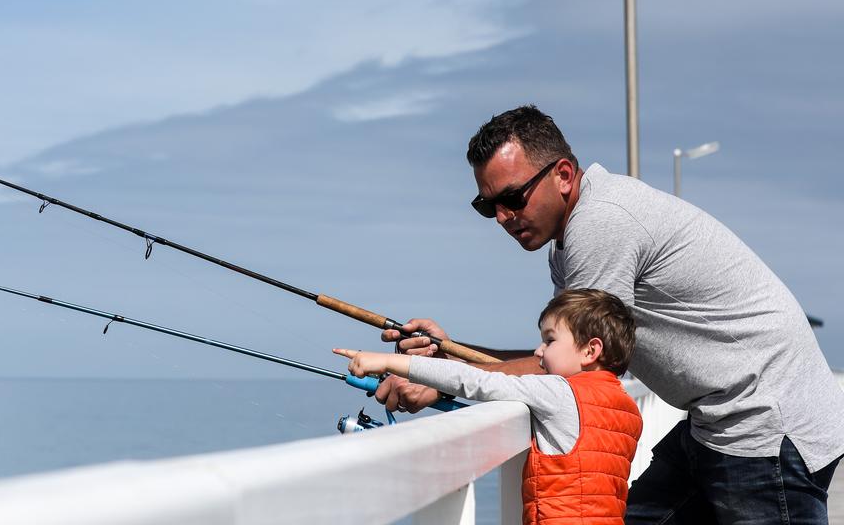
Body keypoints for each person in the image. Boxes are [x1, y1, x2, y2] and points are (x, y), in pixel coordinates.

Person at [375, 105, 844, 524]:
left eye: (513, 198)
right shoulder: (573, 234)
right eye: (487, 205)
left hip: (765, 428)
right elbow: (561, 355)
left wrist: (441, 374)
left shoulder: (600, 224)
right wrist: (452, 355)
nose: (502, 216)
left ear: (562, 174)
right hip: (718, 422)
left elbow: (576, 371)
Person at [337, 288, 643, 524]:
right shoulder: (627, 409)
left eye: (549, 341)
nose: (538, 352)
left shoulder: (560, 392)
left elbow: (475, 381)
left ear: (590, 350)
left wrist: (392, 361)